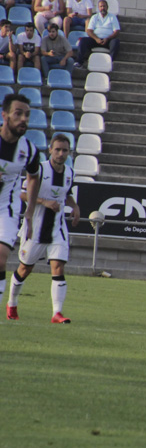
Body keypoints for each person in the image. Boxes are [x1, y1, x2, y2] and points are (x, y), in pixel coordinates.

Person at [7, 134, 78, 324]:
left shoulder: (70, 172)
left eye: (65, 150)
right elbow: (22, 193)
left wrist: (75, 206)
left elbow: (67, 193)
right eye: (58, 149)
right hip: (35, 226)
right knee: (24, 269)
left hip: (58, 228)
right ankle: (12, 303)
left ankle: (57, 313)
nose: (61, 154)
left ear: (69, 152)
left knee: (58, 266)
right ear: (50, 150)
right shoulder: (38, 170)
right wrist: (44, 202)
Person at [0, 94, 43, 321]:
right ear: (4, 115)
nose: (23, 119)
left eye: (27, 114)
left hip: (5, 209)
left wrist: (29, 211)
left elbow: (34, 177)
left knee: (1, 257)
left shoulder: (30, 150)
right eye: (18, 113)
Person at [76, 0, 120, 67]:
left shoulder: (112, 17)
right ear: (98, 8)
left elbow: (116, 31)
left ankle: (110, 62)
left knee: (116, 42)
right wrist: (96, 39)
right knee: (83, 41)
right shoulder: (94, 17)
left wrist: (107, 38)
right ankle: (79, 62)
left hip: (108, 40)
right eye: (101, 6)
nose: (102, 8)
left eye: (104, 6)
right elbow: (89, 31)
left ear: (107, 7)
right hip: (95, 40)